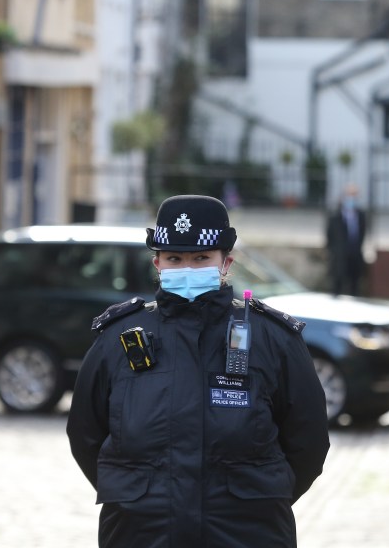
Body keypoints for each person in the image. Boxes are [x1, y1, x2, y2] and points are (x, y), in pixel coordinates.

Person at [67, 194, 330, 547]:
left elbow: (308, 442)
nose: (187, 268)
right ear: (157, 263)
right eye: (175, 258)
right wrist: (137, 495)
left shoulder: (272, 339)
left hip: (247, 532)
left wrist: (260, 497)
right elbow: (85, 434)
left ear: (226, 263)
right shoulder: (117, 338)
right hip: (141, 532)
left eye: (201, 258)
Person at [325, 183, 368, 296]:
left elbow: (362, 235)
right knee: (337, 287)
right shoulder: (335, 215)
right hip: (339, 257)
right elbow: (329, 236)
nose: (352, 199)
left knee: (354, 288)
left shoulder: (361, 215)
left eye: (355, 196)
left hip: (355, 256)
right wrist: (334, 252)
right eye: (350, 195)